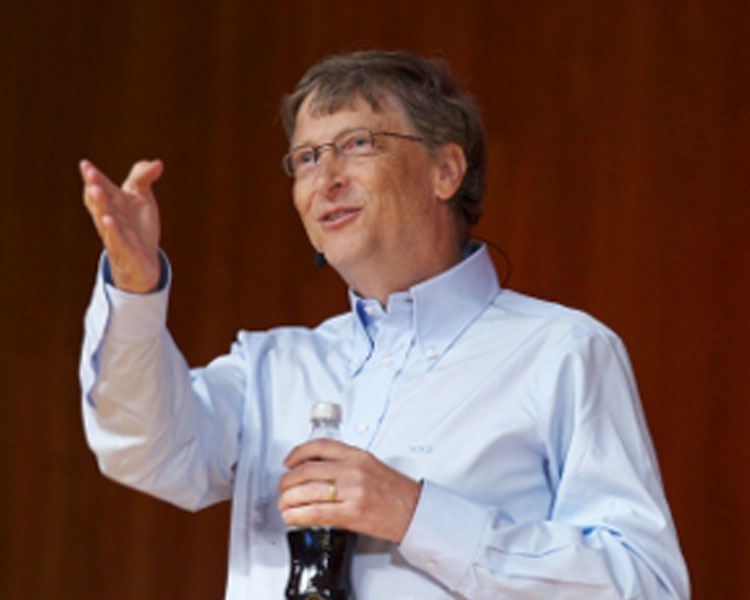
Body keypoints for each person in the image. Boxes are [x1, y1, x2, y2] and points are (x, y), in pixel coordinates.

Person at [79, 50, 689, 599]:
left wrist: (417, 515)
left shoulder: (563, 352)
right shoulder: (271, 369)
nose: (325, 179)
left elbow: (646, 586)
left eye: (359, 144)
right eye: (308, 157)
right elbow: (145, 448)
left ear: (446, 171)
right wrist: (135, 288)